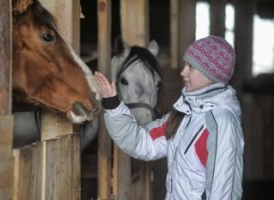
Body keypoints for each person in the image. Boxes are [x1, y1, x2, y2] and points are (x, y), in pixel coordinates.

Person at [94, 35, 244, 200]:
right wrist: (113, 105)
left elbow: (222, 192)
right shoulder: (182, 114)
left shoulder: (220, 124)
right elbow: (141, 143)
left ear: (210, 74)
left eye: (191, 67)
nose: (183, 72)